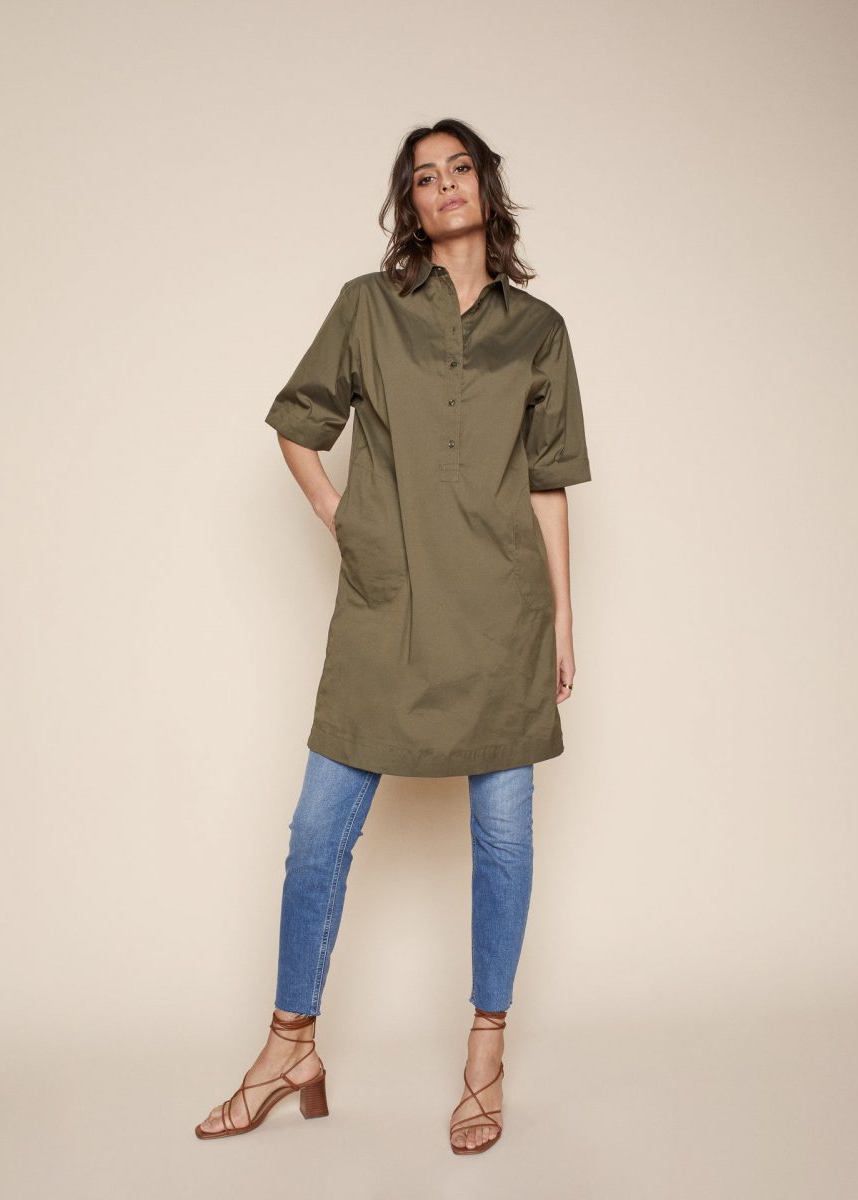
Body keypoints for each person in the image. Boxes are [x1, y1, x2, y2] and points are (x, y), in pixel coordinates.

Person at [195, 117, 592, 1155]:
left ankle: (485, 1059)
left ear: (486, 189)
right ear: (409, 204)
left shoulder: (538, 330)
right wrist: (342, 519)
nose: (445, 185)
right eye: (424, 176)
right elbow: (298, 423)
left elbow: (548, 485)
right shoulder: (366, 307)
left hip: (501, 616)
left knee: (503, 841)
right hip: (390, 605)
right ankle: (289, 1047)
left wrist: (562, 617)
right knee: (318, 834)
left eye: (460, 168)